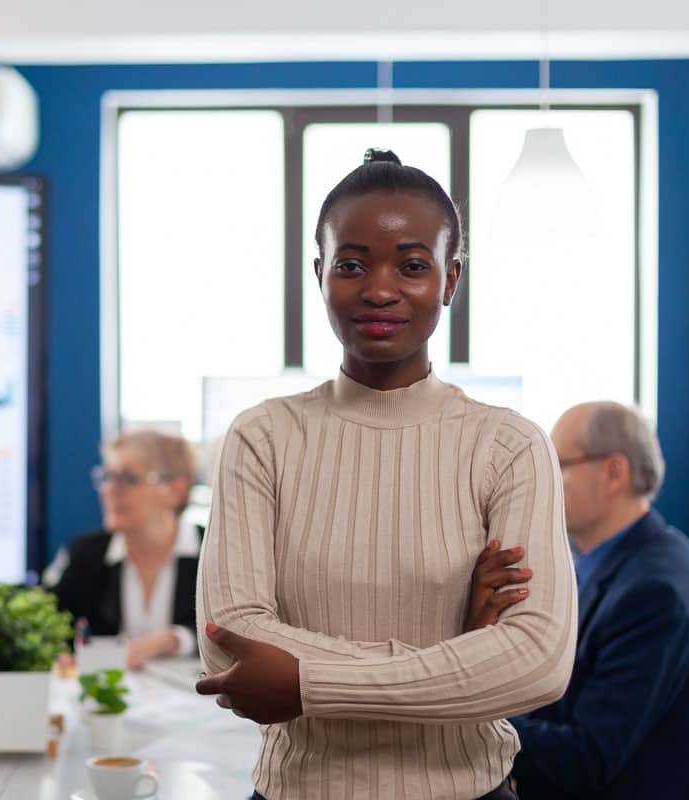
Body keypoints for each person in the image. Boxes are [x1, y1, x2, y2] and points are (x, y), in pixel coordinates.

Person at [194, 149, 577, 799]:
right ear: (319, 274)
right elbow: (231, 646)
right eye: (351, 263)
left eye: (412, 264)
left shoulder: (507, 445)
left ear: (450, 280)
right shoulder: (262, 437)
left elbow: (537, 662)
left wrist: (305, 683)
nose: (379, 288)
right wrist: (459, 648)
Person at [507, 402, 689, 799]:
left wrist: (475, 723)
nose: (543, 482)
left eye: (558, 465)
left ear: (614, 473)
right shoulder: (617, 563)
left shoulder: (656, 595)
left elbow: (587, 761)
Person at [44, 430, 201, 670]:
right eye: (107, 477)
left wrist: (173, 640)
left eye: (127, 479)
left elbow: (237, 633)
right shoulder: (86, 555)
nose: (109, 490)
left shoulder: (215, 553)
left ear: (176, 490)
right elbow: (47, 622)